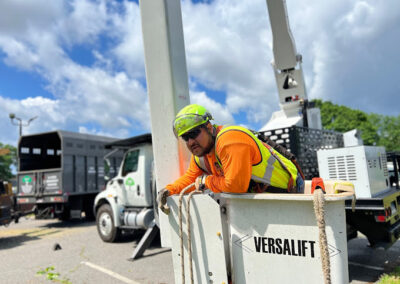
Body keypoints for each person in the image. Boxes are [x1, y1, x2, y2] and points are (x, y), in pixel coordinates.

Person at [157, 104, 304, 213]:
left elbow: (235, 185)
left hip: (287, 194)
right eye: (185, 137)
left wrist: (206, 181)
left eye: (194, 133)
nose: (190, 142)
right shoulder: (202, 154)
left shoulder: (230, 140)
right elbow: (190, 178)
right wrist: (169, 190)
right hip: (262, 200)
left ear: (208, 127)